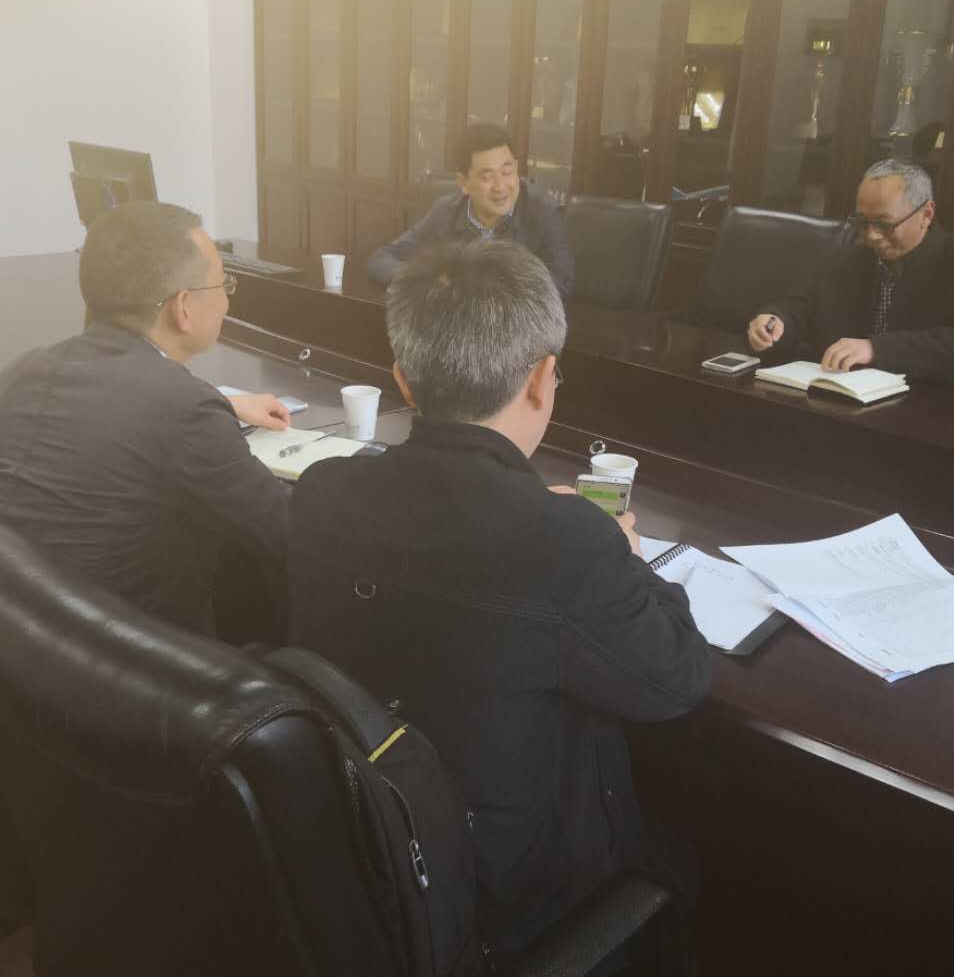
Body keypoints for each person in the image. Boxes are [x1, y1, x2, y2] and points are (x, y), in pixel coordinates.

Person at [287, 239, 712, 966]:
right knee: (682, 860)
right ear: (543, 379)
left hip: (366, 858)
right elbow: (680, 677)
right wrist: (627, 556)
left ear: (403, 382)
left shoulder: (322, 491)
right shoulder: (567, 542)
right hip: (501, 909)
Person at [0, 201, 292, 639]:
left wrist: (222, 402)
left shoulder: (24, 370)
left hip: (14, 633)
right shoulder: (183, 409)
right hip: (130, 655)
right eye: (224, 283)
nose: (226, 299)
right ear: (183, 307)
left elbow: (118, 407)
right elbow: (284, 532)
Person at [747, 159, 954, 387]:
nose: (872, 236)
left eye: (885, 224)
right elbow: (805, 307)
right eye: (863, 222)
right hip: (844, 395)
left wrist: (876, 349)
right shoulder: (847, 259)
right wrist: (777, 321)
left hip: (935, 403)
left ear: (926, 214)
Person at [368, 123, 576, 298]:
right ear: (464, 183)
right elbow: (383, 258)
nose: (500, 186)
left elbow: (562, 281)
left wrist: (492, 292)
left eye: (507, 172)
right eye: (487, 176)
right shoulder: (446, 211)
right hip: (457, 321)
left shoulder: (542, 211)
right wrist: (425, 281)